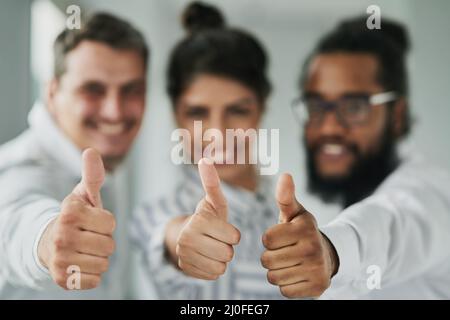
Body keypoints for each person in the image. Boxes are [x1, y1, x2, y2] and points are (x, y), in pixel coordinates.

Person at [260, 17, 450, 299]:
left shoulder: (431, 194)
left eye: (354, 106)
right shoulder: (327, 210)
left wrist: (332, 250)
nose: (329, 127)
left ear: (396, 116)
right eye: (316, 105)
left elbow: (392, 225)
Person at [131, 2, 285, 299]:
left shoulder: (284, 212)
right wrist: (181, 240)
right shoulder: (156, 215)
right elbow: (169, 236)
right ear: (176, 115)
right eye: (198, 112)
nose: (217, 133)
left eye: (238, 111)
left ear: (261, 109)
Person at [0, 12, 149, 299]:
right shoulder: (19, 169)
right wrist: (48, 239)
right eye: (92, 90)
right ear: (53, 93)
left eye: (131, 90)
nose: (114, 111)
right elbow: (13, 223)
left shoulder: (101, 168)